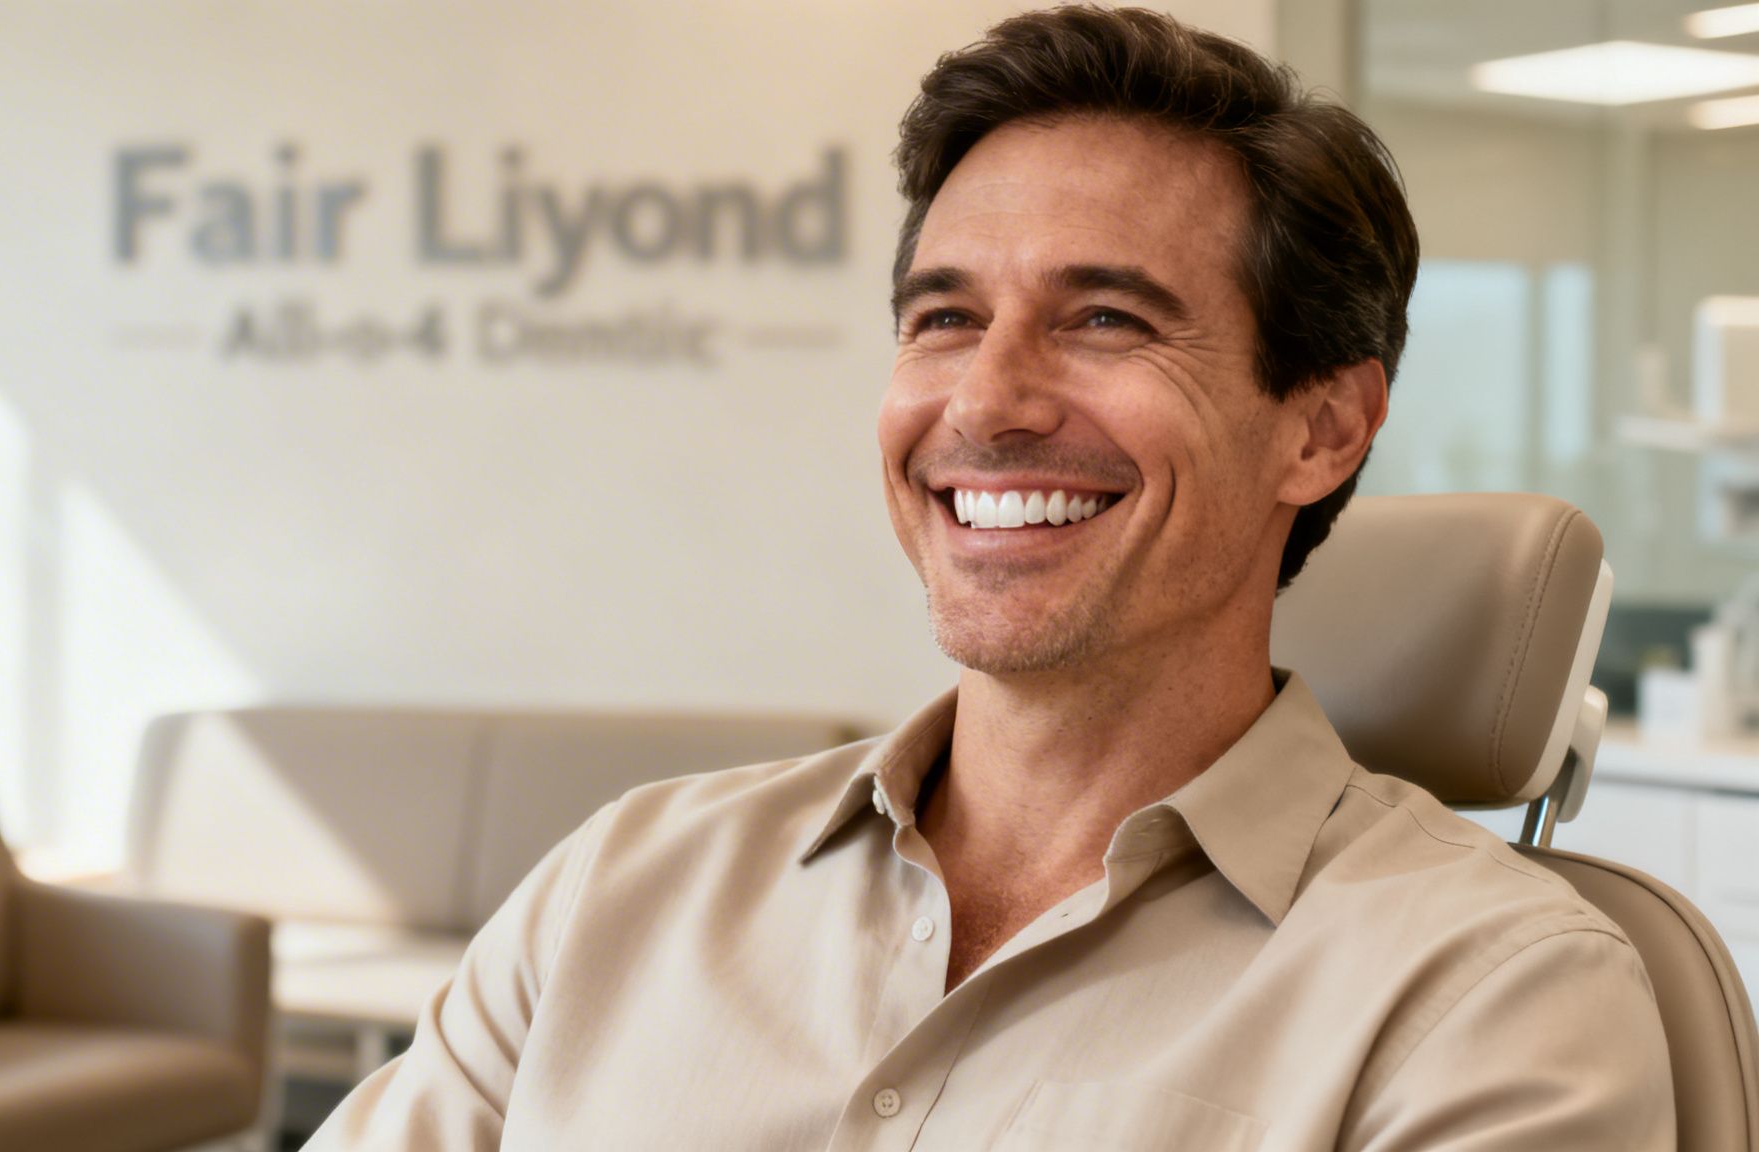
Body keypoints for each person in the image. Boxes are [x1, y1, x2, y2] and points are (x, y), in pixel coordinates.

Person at [308, 6, 1675, 1148]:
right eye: (944, 318)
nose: (991, 398)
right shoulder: (624, 886)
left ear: (1320, 428)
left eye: (1106, 320)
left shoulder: (1490, 1000)